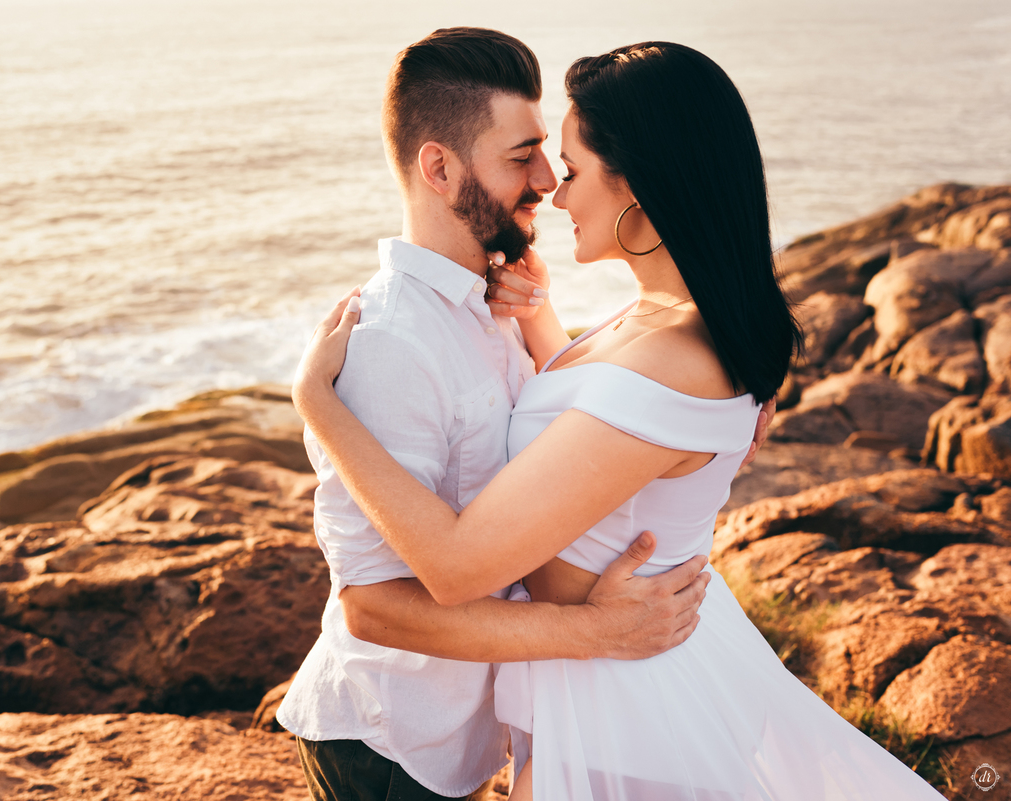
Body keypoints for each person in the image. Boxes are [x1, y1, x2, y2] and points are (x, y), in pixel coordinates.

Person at [293, 41, 946, 801]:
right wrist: (537, 316)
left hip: (627, 692)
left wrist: (316, 403)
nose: (552, 190)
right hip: (540, 698)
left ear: (636, 186)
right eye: (531, 160)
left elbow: (460, 563)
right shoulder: (654, 318)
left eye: (568, 169)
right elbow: (587, 413)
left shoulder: (676, 359)